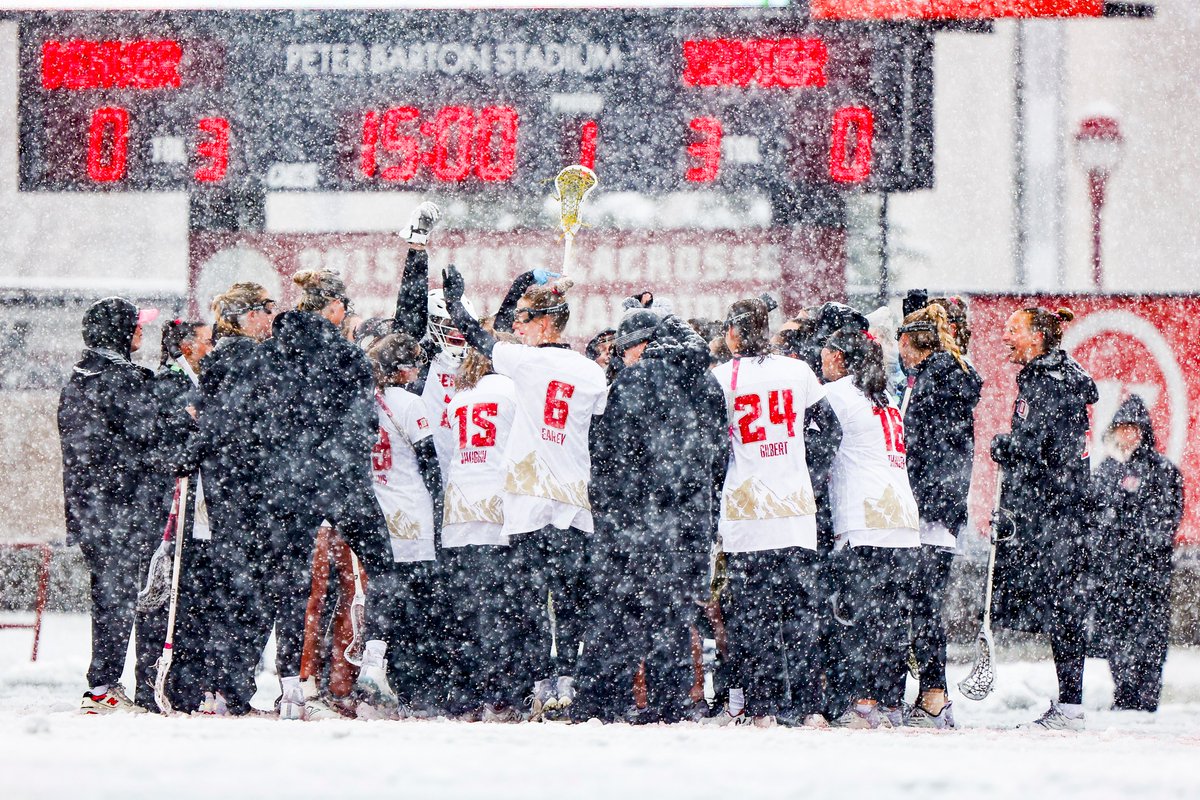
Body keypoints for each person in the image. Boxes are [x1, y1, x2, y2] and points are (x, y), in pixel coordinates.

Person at [441, 264, 607, 719]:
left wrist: (456, 304)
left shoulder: (524, 361)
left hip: (530, 500)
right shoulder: (590, 371)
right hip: (572, 498)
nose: (519, 326)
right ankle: (568, 681)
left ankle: (539, 684)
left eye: (527, 319)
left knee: (530, 600)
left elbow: (484, 338)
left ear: (549, 323)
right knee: (570, 596)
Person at [256, 269, 403, 720]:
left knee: (292, 583)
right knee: (382, 566)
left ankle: (291, 688)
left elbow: (264, 418)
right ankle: (372, 664)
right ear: (335, 309)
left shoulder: (273, 354)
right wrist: (339, 462)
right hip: (341, 479)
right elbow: (362, 425)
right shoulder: (349, 357)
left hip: (289, 479)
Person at [583, 308, 727, 723]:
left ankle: (606, 702)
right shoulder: (706, 381)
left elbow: (611, 456)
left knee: (623, 612)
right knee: (676, 614)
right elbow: (718, 453)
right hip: (690, 520)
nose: (621, 359)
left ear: (642, 345)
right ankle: (672, 700)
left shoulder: (635, 381)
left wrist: (613, 510)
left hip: (639, 518)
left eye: (625, 350)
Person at [705, 298, 827, 726]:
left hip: (747, 512)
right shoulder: (798, 371)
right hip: (794, 510)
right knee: (800, 616)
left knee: (752, 620)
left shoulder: (721, 377)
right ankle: (811, 708)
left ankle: (763, 710)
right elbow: (827, 427)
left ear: (734, 333)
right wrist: (803, 467)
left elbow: (712, 447)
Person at [990, 306, 1098, 731]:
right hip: (1075, 510)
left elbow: (1032, 446)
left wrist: (1005, 445)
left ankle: (1070, 710)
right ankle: (1070, 704)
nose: (1005, 337)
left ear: (1037, 337)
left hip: (1053, 513)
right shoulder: (1070, 375)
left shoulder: (1041, 380)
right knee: (1067, 607)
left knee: (1063, 609)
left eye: (1013, 330)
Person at [59, 297, 159, 714]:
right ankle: (103, 687)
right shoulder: (126, 380)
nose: (142, 331)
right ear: (118, 331)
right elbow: (151, 440)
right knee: (124, 599)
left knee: (109, 597)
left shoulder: (77, 381)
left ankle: (104, 682)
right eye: (137, 325)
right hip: (124, 510)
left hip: (90, 510)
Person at [821, 326, 921, 729]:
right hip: (901, 516)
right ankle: (891, 702)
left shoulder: (836, 395)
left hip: (866, 516)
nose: (822, 359)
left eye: (827, 353)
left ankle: (863, 703)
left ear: (842, 359)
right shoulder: (884, 396)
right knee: (894, 617)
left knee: (862, 615)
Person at [895, 302, 981, 728]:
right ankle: (933, 690)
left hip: (929, 508)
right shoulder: (946, 377)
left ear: (910, 343)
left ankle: (934, 694)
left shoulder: (934, 381)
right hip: (939, 506)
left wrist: (914, 494)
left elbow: (927, 448)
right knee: (923, 603)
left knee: (922, 604)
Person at [196, 282, 277, 715]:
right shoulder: (252, 359)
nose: (270, 318)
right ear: (245, 317)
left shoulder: (216, 361)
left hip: (226, 491)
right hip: (252, 490)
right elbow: (255, 426)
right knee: (253, 592)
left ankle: (218, 685)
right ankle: (231, 687)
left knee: (228, 589)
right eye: (265, 310)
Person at [365, 332, 445, 716]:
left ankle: (377, 670)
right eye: (413, 364)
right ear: (401, 369)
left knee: (384, 598)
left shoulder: (364, 402)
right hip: (412, 512)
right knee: (419, 608)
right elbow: (428, 459)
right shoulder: (411, 403)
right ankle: (415, 692)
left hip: (378, 510)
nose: (417, 371)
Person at [441, 327, 520, 719]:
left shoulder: (460, 398)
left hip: (458, 509)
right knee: (499, 608)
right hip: (497, 507)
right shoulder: (511, 389)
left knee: (465, 609)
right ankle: (499, 693)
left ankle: (465, 693)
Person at [136, 320, 213, 713]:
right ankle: (152, 682)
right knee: (163, 591)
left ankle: (186, 685)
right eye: (206, 341)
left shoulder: (195, 382)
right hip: (169, 499)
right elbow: (169, 439)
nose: (211, 347)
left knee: (189, 596)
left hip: (191, 500)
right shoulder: (169, 384)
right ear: (186, 347)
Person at [1090, 395, 1183, 712]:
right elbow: (1095, 516)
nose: (1128, 435)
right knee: (1117, 638)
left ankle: (1146, 697)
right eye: (1122, 428)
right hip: (1116, 575)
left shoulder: (1163, 471)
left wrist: (1134, 538)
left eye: (1133, 428)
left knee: (1150, 639)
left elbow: (1167, 520)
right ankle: (1125, 694)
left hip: (1149, 575)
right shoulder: (1106, 471)